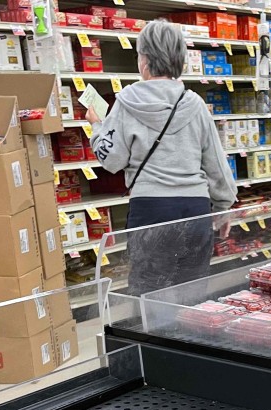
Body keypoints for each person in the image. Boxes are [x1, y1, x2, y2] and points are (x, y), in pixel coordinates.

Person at [88, 19, 237, 295]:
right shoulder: (194, 104)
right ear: (179, 59)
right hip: (195, 210)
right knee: (192, 293)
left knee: (150, 296)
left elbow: (111, 159)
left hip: (151, 209)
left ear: (144, 60)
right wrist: (224, 206)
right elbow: (216, 164)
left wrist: (97, 126)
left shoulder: (127, 101)